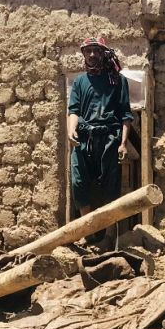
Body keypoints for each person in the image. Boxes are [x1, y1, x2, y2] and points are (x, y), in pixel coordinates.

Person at [67, 36, 133, 245]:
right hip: (84, 140)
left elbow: (125, 114)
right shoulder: (79, 82)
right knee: (79, 182)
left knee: (110, 186)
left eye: (96, 50)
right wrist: (71, 131)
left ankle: (109, 236)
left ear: (104, 53)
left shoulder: (117, 81)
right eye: (88, 51)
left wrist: (122, 143)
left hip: (108, 140)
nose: (92, 55)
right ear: (84, 54)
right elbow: (74, 110)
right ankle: (86, 233)